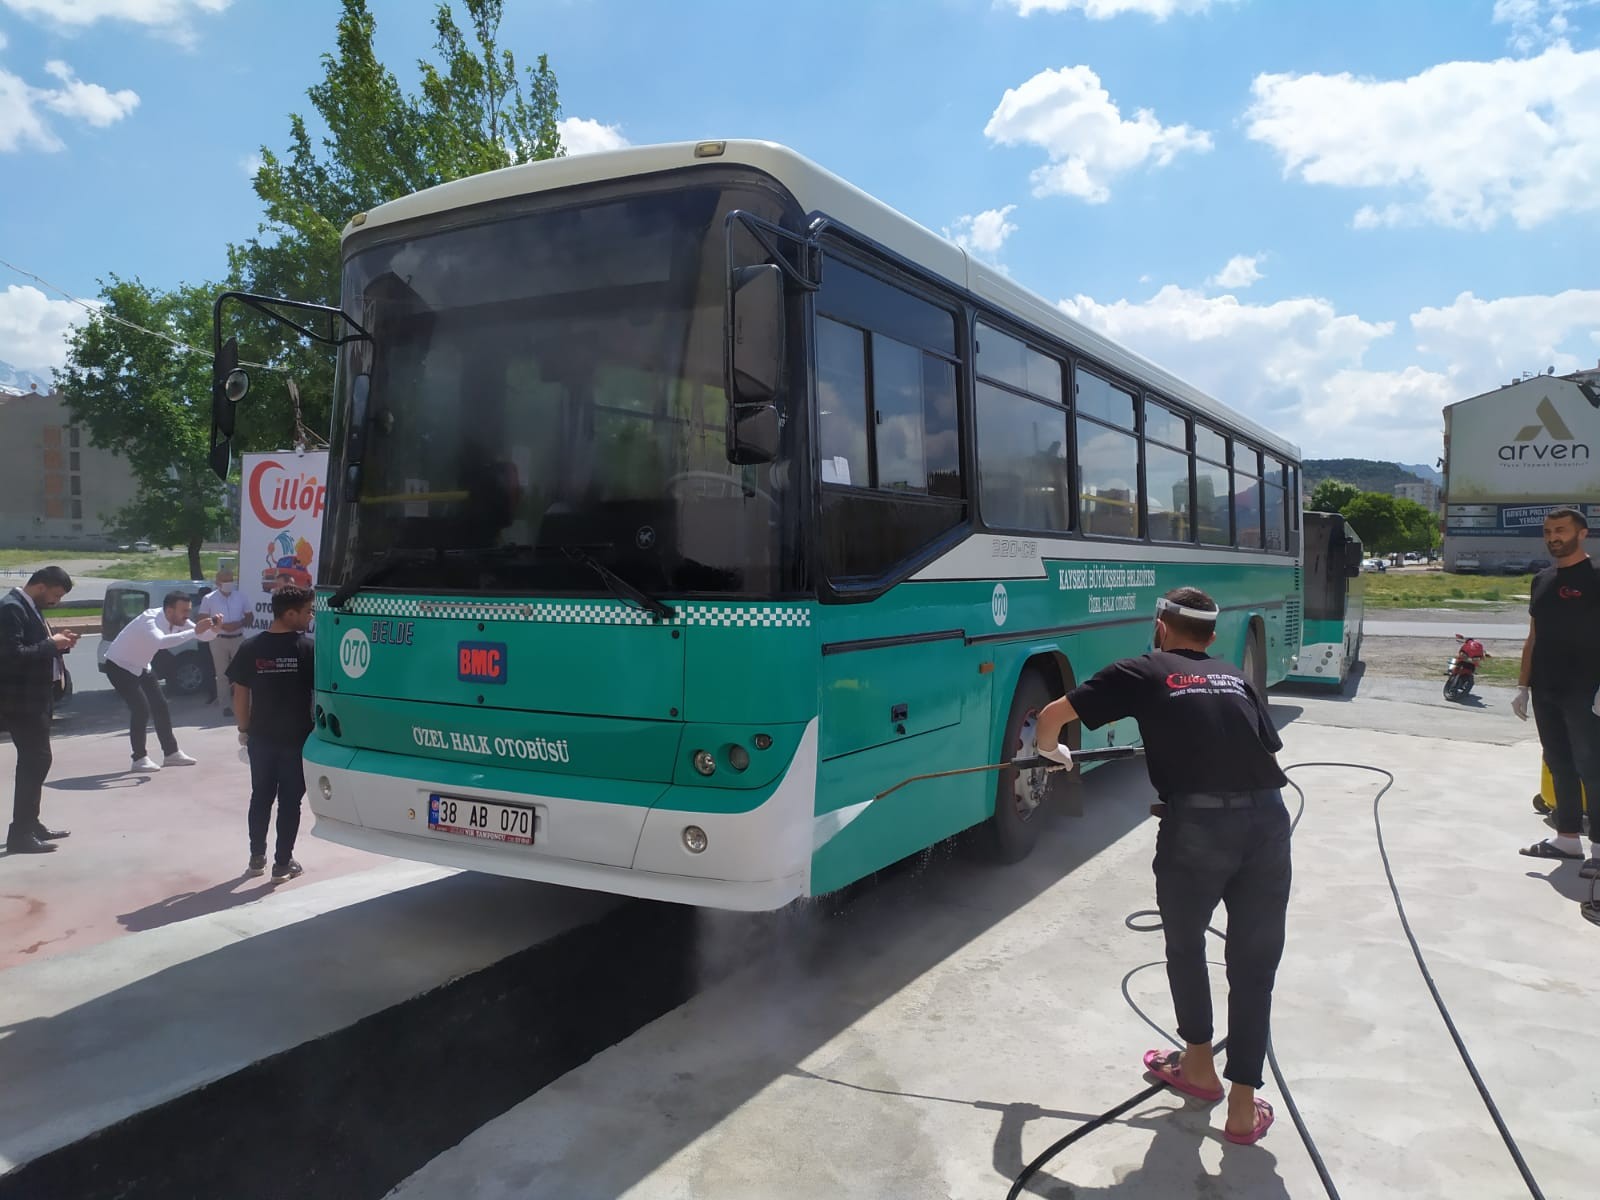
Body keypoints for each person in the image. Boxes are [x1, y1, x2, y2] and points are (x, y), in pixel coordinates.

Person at [1034, 587, 1289, 1147]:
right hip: (1267, 826)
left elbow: (1051, 718)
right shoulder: (1234, 675)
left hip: (1196, 829)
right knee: (1253, 967)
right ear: (1213, 636)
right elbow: (1255, 744)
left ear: (1161, 626)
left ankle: (1198, 1069)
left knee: (1185, 946)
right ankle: (1243, 1109)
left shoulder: (1144, 669)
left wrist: (1053, 753)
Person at [1513, 507, 1600, 877]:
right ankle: (1566, 838)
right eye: (1548, 531)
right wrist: (1521, 685)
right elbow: (1534, 636)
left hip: (1586, 690)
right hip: (1545, 689)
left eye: (1561, 530)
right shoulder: (1541, 579)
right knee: (1558, 762)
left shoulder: (1596, 577)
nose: (1553, 537)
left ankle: (1598, 848)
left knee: (1592, 767)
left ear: (1582, 534)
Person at [228, 584, 315, 881]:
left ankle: (256, 859)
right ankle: (282, 863)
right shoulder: (308, 648)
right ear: (289, 614)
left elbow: (239, 695)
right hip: (296, 741)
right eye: (306, 612)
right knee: (290, 802)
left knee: (261, 797)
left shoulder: (251, 647)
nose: (310, 617)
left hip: (261, 739)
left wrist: (244, 730)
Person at [0, 566, 79, 854]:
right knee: (35, 761)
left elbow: (34, 646)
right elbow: (11, 656)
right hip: (22, 701)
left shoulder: (27, 606)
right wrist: (50, 644)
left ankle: (30, 824)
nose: (56, 601)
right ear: (41, 586)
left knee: (37, 762)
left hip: (37, 697)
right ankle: (20, 834)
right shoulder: (11, 608)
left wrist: (60, 644)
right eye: (55, 595)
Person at [104, 590, 220, 772]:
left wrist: (214, 628)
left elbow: (202, 636)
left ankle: (171, 754)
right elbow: (161, 642)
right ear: (169, 610)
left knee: (161, 705)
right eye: (183, 611)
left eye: (188, 610)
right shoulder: (149, 620)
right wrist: (194, 632)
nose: (187, 615)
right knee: (141, 709)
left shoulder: (180, 620)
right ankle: (139, 759)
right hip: (119, 666)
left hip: (142, 666)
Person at [198, 567, 253, 715]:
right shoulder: (209, 599)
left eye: (231, 580)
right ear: (217, 582)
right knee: (221, 674)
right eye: (225, 581)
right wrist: (219, 624)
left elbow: (250, 617)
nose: (229, 583)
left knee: (241, 672)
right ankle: (225, 706)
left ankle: (243, 703)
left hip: (238, 638)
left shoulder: (241, 596)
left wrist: (238, 624)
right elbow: (202, 619)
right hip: (218, 639)